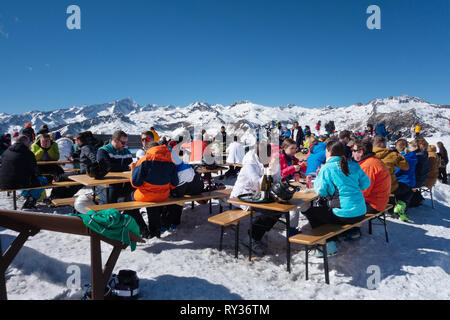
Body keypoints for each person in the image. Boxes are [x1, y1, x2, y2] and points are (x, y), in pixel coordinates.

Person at [300, 140, 371, 256]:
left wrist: (320, 179)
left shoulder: (327, 168)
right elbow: (365, 184)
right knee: (331, 210)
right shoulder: (354, 165)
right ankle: (353, 231)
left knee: (312, 211)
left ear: (328, 151)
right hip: (361, 212)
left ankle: (328, 243)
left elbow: (321, 191)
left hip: (343, 215)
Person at [231, 141, 283, 256]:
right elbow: (259, 184)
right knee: (270, 211)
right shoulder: (250, 163)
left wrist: (274, 169)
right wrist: (270, 169)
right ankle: (251, 238)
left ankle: (257, 234)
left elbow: (277, 179)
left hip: (257, 196)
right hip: (242, 196)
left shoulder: (264, 162)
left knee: (279, 210)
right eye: (269, 154)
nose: (271, 157)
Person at [129, 142, 179, 239]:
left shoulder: (144, 160)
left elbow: (135, 183)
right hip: (163, 195)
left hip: (146, 196)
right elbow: (174, 183)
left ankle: (143, 230)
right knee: (153, 203)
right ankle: (155, 231)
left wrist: (133, 170)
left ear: (148, 150)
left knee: (128, 204)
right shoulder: (170, 162)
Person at [350, 138, 391, 238]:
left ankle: (350, 231)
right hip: (379, 200)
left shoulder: (368, 166)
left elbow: (363, 192)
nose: (352, 154)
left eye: (354, 151)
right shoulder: (373, 161)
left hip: (374, 204)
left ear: (361, 152)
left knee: (341, 206)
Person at [0, 135, 48, 209]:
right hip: (20, 183)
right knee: (43, 181)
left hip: (3, 183)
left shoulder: (6, 152)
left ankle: (26, 195)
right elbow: (35, 171)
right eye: (29, 142)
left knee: (26, 178)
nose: (30, 144)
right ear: (25, 143)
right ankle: (30, 200)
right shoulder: (28, 154)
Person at [97, 130, 134, 203]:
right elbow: (108, 167)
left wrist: (126, 167)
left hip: (123, 182)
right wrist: (126, 167)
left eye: (126, 142)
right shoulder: (103, 151)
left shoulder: (126, 151)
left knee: (133, 187)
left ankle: (129, 211)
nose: (125, 145)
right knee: (113, 190)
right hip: (108, 183)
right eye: (123, 142)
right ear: (115, 140)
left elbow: (130, 164)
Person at [393, 139, 417, 222]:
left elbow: (396, 171)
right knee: (407, 192)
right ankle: (401, 206)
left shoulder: (402, 158)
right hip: (411, 182)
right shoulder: (412, 156)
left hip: (402, 182)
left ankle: (394, 207)